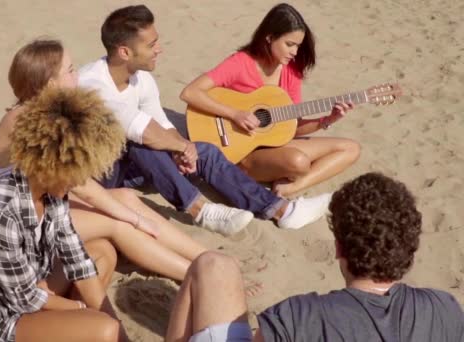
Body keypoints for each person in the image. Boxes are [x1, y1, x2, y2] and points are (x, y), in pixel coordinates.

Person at [79, 5, 333, 235]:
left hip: (134, 166)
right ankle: (199, 210)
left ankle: (281, 210)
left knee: (206, 152)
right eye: (151, 44)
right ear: (125, 52)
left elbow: (161, 122)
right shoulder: (92, 85)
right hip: (98, 173)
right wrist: (180, 146)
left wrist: (183, 148)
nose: (159, 49)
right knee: (141, 140)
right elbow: (142, 129)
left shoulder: (141, 78)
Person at [0, 39, 207, 281]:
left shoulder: (43, 110)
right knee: (119, 223)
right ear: (50, 83)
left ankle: (206, 258)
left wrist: (128, 211)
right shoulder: (28, 121)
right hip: (17, 223)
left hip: (43, 204)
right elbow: (81, 186)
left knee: (126, 197)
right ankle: (197, 275)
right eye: (69, 71)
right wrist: (134, 219)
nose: (76, 75)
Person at [165, 173, 464, 342]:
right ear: (409, 247)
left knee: (213, 265)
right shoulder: (444, 309)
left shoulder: (299, 318)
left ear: (338, 248)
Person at [0, 82, 128, 340]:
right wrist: (81, 310)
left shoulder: (53, 191)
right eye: (76, 173)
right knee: (104, 330)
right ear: (52, 164)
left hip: (27, 289)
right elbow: (25, 299)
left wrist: (111, 319)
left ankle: (79, 328)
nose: (78, 182)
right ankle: (82, 328)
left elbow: (77, 258)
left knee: (102, 253)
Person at [180, 3, 361, 197]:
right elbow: (190, 93)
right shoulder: (241, 63)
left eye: (298, 46)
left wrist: (327, 120)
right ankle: (260, 172)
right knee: (298, 163)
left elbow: (293, 128)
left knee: (351, 149)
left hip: (273, 145)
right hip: (239, 151)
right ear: (269, 37)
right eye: (289, 44)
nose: (295, 52)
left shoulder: (291, 72)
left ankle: (291, 187)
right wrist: (235, 114)